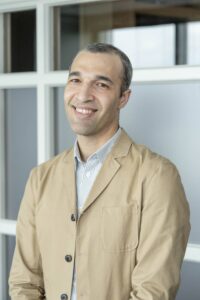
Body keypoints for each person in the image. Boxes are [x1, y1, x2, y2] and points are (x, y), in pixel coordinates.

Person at [9, 43, 190, 300]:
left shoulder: (157, 176)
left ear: (123, 98)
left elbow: (153, 291)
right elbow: (24, 281)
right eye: (75, 80)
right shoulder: (40, 178)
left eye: (101, 84)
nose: (83, 95)